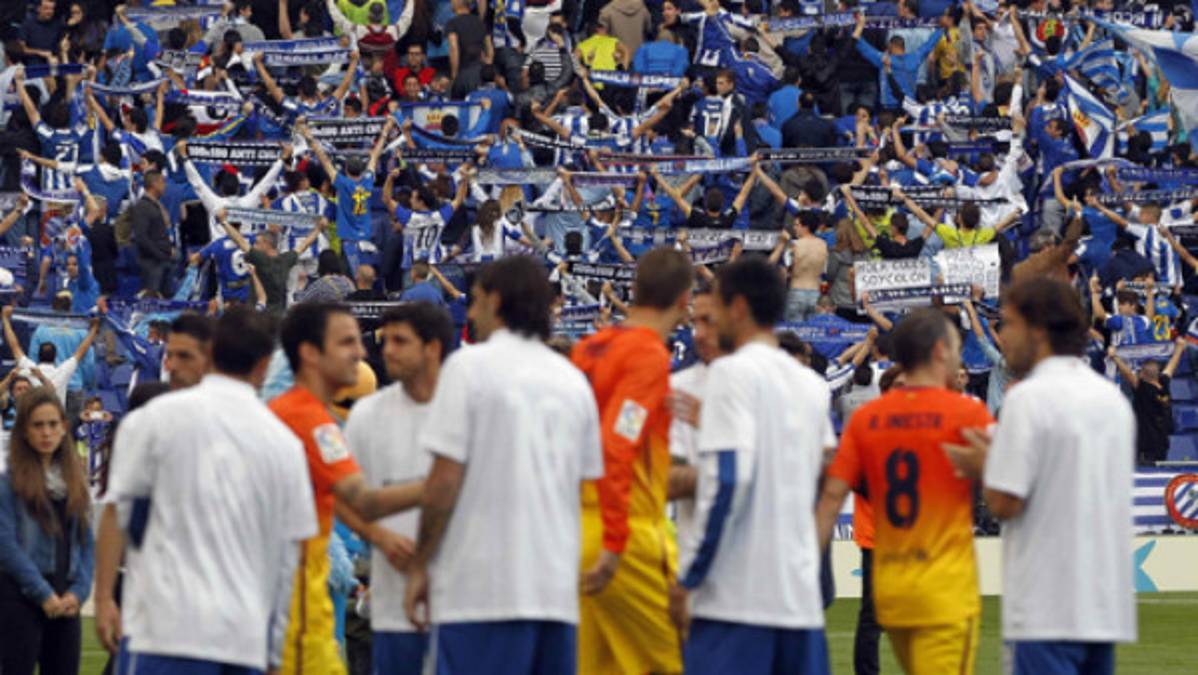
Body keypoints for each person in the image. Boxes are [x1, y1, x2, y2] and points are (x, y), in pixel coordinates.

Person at [403, 256, 604, 673]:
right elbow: (586, 487)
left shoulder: (468, 368)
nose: (470, 313)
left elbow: (443, 482)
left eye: (474, 301)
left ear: (495, 301)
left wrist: (420, 564)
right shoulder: (573, 382)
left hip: (481, 590)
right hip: (555, 594)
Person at [96, 307, 318, 674]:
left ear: (211, 351)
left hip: (164, 631)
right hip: (243, 639)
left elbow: (115, 511)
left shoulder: (151, 421)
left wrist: (104, 598)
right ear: (265, 364)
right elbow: (288, 559)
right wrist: (275, 650)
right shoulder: (284, 444)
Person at [943, 277, 1138, 675]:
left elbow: (1004, 501)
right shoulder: (1111, 400)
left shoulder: (1028, 399)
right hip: (1104, 602)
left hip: (1046, 602)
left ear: (1037, 330)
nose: (1002, 336)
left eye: (1008, 324)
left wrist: (985, 467)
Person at [672, 256, 834, 674]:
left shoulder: (730, 374)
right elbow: (824, 474)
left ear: (738, 308)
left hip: (734, 601)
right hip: (798, 601)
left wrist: (689, 576)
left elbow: (729, 480)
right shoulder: (813, 387)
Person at [816, 308, 994, 675]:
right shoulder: (968, 414)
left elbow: (831, 497)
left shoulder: (867, 418)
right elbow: (1010, 491)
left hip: (891, 585)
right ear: (941, 351)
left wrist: (806, 568)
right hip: (942, 585)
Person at [271, 302, 427, 675]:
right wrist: (446, 482)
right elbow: (362, 496)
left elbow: (332, 495)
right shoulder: (307, 419)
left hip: (305, 587)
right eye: (347, 343)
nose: (360, 353)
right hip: (294, 591)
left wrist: (376, 535)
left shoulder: (298, 413)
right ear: (310, 353)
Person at [570, 247, 693, 675]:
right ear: (684, 299)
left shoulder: (588, 348)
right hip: (625, 530)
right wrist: (616, 541)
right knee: (672, 663)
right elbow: (617, 444)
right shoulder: (648, 355)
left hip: (577, 528)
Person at [345, 303, 454, 673]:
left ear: (432, 347)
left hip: (463, 605)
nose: (387, 349)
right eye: (386, 339)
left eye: (400, 341)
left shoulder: (469, 411)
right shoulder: (367, 416)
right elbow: (344, 498)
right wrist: (377, 534)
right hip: (392, 604)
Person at [0, 388, 93, 675]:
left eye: (53, 424)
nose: (46, 433)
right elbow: (5, 544)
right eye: (38, 425)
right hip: (20, 595)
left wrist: (79, 592)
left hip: (66, 596)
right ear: (24, 431)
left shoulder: (75, 479)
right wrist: (43, 594)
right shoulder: (9, 482)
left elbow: (86, 543)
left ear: (65, 428)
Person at [214, 208, 324, 314]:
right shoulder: (286, 259)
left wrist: (224, 222)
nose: (254, 246)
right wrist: (319, 229)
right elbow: (303, 245)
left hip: (258, 316)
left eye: (257, 243)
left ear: (267, 244)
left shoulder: (259, 259)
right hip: (278, 316)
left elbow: (240, 241)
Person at [1, 307, 99, 408]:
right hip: (56, 419)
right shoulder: (63, 371)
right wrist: (94, 329)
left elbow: (15, 347)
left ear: (38, 355)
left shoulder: (29, 369)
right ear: (55, 356)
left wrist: (5, 320)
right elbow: (81, 352)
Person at [127, 170, 174, 297]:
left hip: (163, 260)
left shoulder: (156, 205)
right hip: (152, 264)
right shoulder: (142, 207)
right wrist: (160, 254)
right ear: (154, 184)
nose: (165, 186)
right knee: (152, 300)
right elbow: (141, 237)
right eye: (162, 182)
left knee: (167, 301)